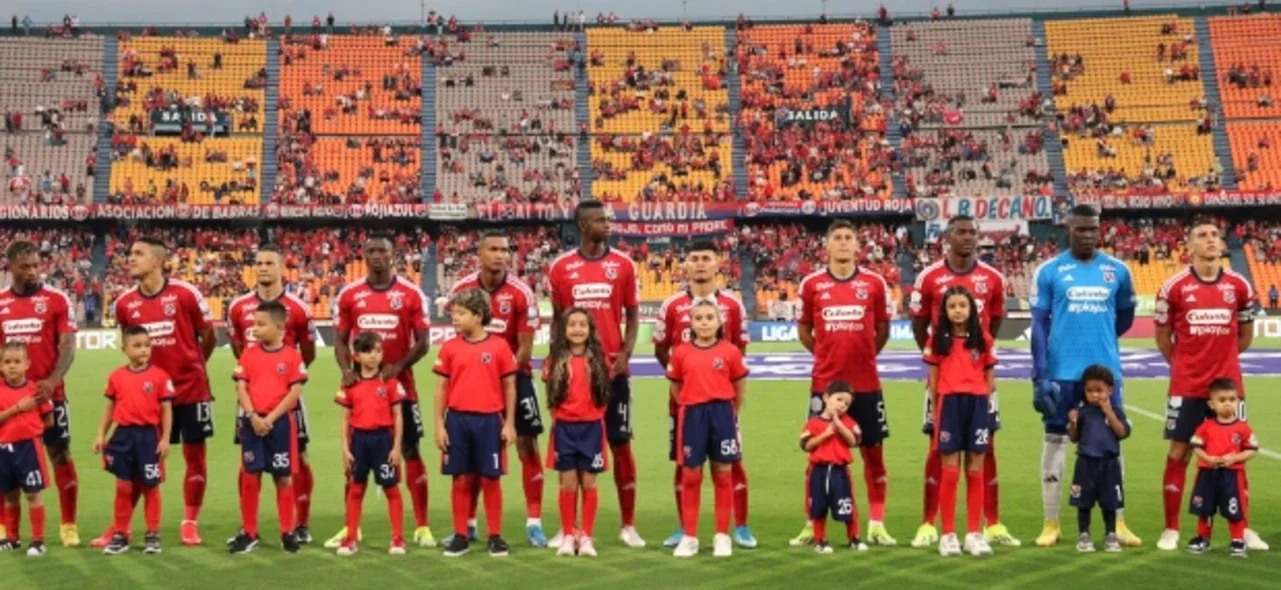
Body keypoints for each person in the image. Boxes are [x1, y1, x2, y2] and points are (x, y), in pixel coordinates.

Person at [1031, 205, 1141, 547]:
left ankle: (1118, 522)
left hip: (1106, 373)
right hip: (1063, 373)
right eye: (1081, 229)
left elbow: (1124, 319)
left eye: (1094, 229)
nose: (1089, 235)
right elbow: (1038, 324)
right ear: (1068, 229)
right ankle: (1051, 522)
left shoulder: (1118, 271)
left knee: (1111, 444)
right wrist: (1040, 373)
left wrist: (1099, 345)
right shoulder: (1050, 271)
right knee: (1056, 441)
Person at [1154, 219, 1267, 551]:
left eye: (1215, 235)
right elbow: (1162, 339)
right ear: (1189, 247)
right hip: (1187, 386)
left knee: (1236, 456)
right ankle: (1171, 529)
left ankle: (1241, 528)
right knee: (1179, 452)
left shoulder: (1239, 286)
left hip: (1229, 388)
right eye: (1202, 236)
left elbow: (1243, 337)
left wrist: (1222, 369)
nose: (1210, 240)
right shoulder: (1173, 287)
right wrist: (1186, 367)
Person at [909, 216, 1016, 548]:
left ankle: (990, 524)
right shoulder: (929, 277)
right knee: (938, 449)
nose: (968, 238)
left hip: (978, 381)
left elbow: (996, 323)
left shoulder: (993, 278)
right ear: (948, 237)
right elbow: (919, 325)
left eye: (973, 232)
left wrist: (976, 355)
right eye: (961, 232)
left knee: (986, 449)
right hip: (946, 383)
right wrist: (941, 361)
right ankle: (930, 523)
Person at [104, 236, 215, 548]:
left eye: (138, 254)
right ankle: (120, 527)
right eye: (130, 253)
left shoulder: (185, 294)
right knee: (142, 461)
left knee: (196, 457)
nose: (130, 258)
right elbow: (129, 344)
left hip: (190, 391)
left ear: (157, 261)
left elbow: (207, 335)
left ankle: (190, 522)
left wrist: (193, 366)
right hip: (148, 396)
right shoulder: (125, 303)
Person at [325, 232, 432, 550]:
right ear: (363, 255)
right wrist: (346, 371)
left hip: (402, 390)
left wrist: (397, 369)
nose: (376, 256)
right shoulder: (350, 294)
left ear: (392, 254)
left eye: (382, 251)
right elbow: (341, 340)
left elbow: (423, 342)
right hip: (363, 389)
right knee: (355, 458)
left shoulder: (411, 294)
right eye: (370, 250)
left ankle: (422, 526)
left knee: (410, 451)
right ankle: (351, 528)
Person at [547, 201, 644, 549]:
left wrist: (625, 354)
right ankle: (568, 528)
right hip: (572, 374)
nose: (607, 223)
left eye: (607, 218)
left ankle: (628, 524)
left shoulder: (623, 264)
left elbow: (633, 316)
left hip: (612, 372)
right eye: (600, 220)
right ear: (582, 225)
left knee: (620, 445)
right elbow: (558, 320)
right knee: (568, 452)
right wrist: (555, 363)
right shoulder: (561, 267)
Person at [792, 220, 894, 547]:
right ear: (828, 245)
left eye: (849, 237)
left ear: (857, 245)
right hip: (826, 384)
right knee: (818, 455)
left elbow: (882, 329)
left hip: (866, 384)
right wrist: (824, 356)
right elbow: (805, 330)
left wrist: (865, 357)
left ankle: (876, 524)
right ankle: (812, 523)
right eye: (837, 238)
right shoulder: (811, 285)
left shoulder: (874, 284)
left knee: (873, 454)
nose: (843, 243)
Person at [653, 240, 754, 549]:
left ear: (717, 263)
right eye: (694, 258)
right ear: (685, 264)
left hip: (722, 405)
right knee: (685, 465)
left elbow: (738, 354)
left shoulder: (734, 305)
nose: (699, 264)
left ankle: (740, 526)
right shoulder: (670, 305)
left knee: (731, 463)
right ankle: (686, 528)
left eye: (706, 258)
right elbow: (662, 351)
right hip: (685, 404)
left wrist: (729, 402)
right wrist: (686, 384)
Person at [447, 231, 544, 547]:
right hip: (474, 383)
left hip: (515, 379)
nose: (501, 255)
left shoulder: (521, 292)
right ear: (479, 253)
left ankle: (534, 521)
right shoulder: (462, 289)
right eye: (494, 249)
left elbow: (526, 347)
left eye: (506, 249)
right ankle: (470, 524)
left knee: (526, 445)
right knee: (474, 453)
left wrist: (504, 381)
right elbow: (458, 339)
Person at [227, 246, 317, 545]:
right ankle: (248, 527)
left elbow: (308, 351)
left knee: (298, 460)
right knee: (247, 463)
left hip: (286, 397)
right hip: (251, 397)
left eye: (269, 263)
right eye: (258, 263)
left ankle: (299, 523)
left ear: (281, 269)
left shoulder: (298, 308)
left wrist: (284, 374)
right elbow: (240, 347)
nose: (263, 268)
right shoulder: (239, 306)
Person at [0, 240, 79, 548]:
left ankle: (68, 523)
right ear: (10, 267)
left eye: (36, 265)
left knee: (60, 455)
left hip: (50, 395)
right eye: (25, 267)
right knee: (6, 459)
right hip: (10, 400)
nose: (33, 272)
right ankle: (8, 528)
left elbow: (68, 346)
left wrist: (52, 379)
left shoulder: (57, 299)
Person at [435, 288, 517, 558]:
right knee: (459, 479)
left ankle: (495, 535)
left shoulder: (499, 347)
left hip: (489, 421)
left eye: (461, 313)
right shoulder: (449, 348)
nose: (454, 319)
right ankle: (461, 535)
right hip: (457, 421)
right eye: (453, 314)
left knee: (491, 478)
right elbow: (441, 388)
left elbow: (509, 386)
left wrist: (509, 423)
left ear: (478, 315)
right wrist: (438, 424)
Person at [666, 301, 748, 558]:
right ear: (691, 322)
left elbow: (739, 385)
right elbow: (676, 387)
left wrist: (728, 410)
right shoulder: (680, 352)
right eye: (699, 318)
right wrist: (692, 403)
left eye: (709, 317)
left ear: (719, 321)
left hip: (722, 413)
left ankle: (722, 536)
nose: (704, 322)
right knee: (691, 474)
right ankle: (690, 536)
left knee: (723, 473)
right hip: (692, 414)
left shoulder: (730, 351)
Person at [924, 287, 996, 557]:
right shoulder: (938, 340)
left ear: (971, 309)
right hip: (949, 404)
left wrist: (985, 404)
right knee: (950, 468)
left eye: (962, 305)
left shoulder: (983, 339)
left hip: (977, 404)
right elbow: (932, 378)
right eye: (952, 306)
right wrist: (937, 407)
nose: (957, 310)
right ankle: (949, 534)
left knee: (976, 467)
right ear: (945, 310)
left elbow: (990, 377)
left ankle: (974, 534)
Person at [93, 326, 174, 555]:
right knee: (123, 486)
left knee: (150, 486)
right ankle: (120, 533)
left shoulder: (160, 376)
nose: (143, 350)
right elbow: (109, 407)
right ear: (124, 349)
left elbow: (167, 409)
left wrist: (166, 438)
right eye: (137, 346)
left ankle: (152, 533)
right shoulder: (117, 376)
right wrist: (101, 434)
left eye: (147, 345)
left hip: (148, 436)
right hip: (123, 436)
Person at [544, 308, 610, 558]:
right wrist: (561, 419)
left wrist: (594, 416)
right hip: (564, 429)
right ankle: (568, 534)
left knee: (589, 482)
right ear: (564, 329)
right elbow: (551, 396)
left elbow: (604, 396)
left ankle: (586, 537)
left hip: (592, 429)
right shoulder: (556, 359)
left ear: (590, 329)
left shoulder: (599, 359)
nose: (578, 329)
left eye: (583, 324)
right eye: (572, 324)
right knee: (568, 483)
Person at [335, 332, 407, 556]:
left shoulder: (389, 382)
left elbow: (398, 416)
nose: (374, 356)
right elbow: (345, 419)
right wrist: (345, 449)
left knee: (391, 489)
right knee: (355, 489)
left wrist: (396, 447)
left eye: (378, 350)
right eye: (367, 351)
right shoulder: (350, 384)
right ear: (356, 356)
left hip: (383, 440)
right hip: (359, 441)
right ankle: (351, 537)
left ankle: (397, 538)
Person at [1186, 379, 1257, 557]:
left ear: (1238, 402)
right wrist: (1208, 458)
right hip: (1207, 473)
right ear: (1212, 404)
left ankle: (1238, 540)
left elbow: (1252, 449)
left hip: (1232, 475)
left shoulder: (1243, 428)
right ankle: (1203, 538)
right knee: (1205, 508)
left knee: (1234, 508)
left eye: (1232, 399)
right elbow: (1196, 446)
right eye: (1222, 400)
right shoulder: (1206, 426)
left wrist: (1234, 459)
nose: (1228, 404)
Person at [1067, 365, 1131, 553]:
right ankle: (1084, 535)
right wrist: (1072, 423)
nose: (1094, 395)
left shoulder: (1116, 412)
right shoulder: (1083, 413)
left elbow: (1122, 432)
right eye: (1090, 391)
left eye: (1099, 390)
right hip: (1086, 463)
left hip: (1110, 464)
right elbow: (1074, 438)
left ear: (1110, 390)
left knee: (1110, 502)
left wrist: (1108, 411)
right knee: (1083, 502)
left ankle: (1110, 534)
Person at [0, 343, 53, 556]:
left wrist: (32, 428)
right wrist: (18, 409)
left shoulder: (35, 390)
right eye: (7, 362)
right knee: (10, 496)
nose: (12, 366)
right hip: (3, 449)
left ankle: (38, 540)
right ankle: (12, 538)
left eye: (17, 361)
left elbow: (48, 418)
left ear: (27, 364)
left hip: (29, 448)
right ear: (1, 366)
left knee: (33, 494)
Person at [800, 380, 863, 554]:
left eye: (847, 403)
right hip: (818, 471)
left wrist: (838, 423)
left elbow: (853, 441)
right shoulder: (813, 423)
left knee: (847, 504)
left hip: (839, 471)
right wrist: (824, 435)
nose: (842, 405)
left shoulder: (848, 422)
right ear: (826, 397)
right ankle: (820, 540)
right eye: (839, 399)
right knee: (818, 507)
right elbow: (806, 445)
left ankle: (854, 538)